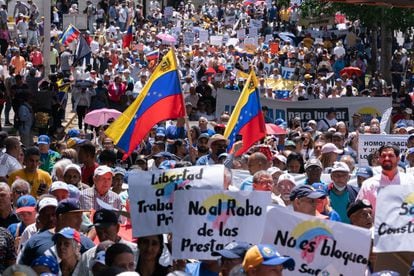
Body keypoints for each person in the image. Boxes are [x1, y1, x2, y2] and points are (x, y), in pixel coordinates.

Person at [78, 209, 138, 276]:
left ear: (117, 228)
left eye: (106, 231)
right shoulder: (87, 256)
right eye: (99, 233)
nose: (103, 236)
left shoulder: (135, 251)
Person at [357, 145, 411, 215]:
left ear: (398, 159)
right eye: (383, 156)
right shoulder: (368, 185)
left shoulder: (410, 181)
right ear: (379, 159)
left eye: (391, 155)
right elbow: (359, 211)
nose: (387, 158)